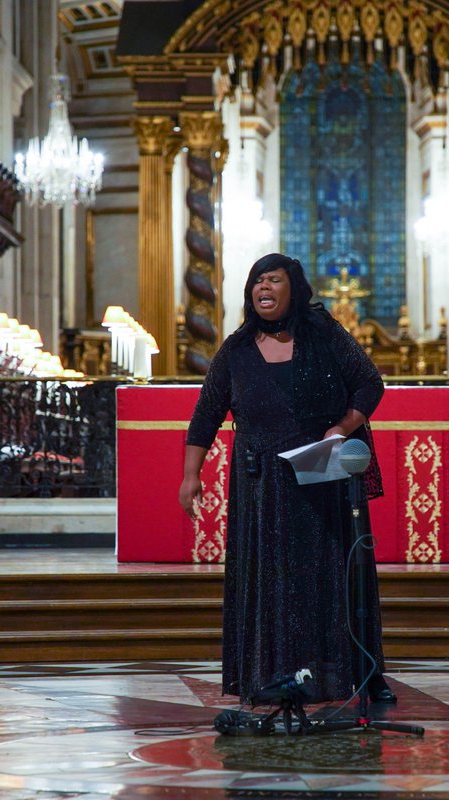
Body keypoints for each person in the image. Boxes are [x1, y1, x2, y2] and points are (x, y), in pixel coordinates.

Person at [179, 252, 396, 706]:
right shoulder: (236, 349)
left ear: (292, 288)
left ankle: (361, 672)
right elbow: (207, 413)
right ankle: (268, 673)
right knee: (268, 578)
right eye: (257, 280)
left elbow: (369, 384)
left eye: (273, 280)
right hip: (260, 486)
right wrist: (190, 475)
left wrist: (339, 429)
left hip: (321, 475)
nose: (264, 288)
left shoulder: (324, 334)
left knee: (334, 573)